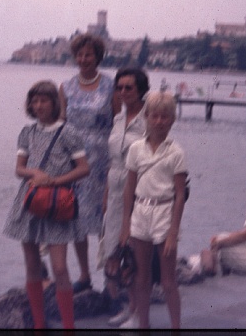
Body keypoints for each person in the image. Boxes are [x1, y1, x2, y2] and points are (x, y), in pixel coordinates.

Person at [3, 80, 90, 329]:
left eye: (44, 100)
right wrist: (35, 174)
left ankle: (68, 327)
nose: (39, 105)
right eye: (35, 101)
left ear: (55, 103)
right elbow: (19, 169)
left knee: (60, 268)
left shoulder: (69, 133)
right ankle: (39, 325)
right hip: (29, 202)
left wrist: (54, 180)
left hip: (57, 204)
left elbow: (84, 169)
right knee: (32, 265)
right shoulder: (27, 133)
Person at [118, 90, 188, 329]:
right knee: (141, 276)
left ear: (172, 120)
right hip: (140, 212)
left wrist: (173, 232)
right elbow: (129, 187)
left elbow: (180, 195)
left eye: (165, 117)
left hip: (164, 213)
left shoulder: (176, 153)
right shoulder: (136, 149)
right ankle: (143, 325)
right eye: (154, 116)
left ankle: (175, 327)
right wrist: (125, 225)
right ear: (146, 117)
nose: (159, 122)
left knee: (168, 280)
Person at [58, 33, 117, 293]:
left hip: (103, 160)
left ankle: (110, 276)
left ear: (98, 57)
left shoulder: (111, 86)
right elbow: (61, 124)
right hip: (74, 162)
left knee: (107, 219)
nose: (84, 59)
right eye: (80, 54)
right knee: (76, 219)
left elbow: (118, 124)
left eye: (89, 54)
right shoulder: (66, 87)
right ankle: (84, 275)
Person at [98, 67, 150, 325]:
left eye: (129, 87)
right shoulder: (118, 118)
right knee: (115, 252)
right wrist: (106, 194)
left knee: (133, 253)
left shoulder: (148, 120)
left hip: (138, 190)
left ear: (140, 89)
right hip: (115, 188)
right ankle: (127, 307)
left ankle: (139, 314)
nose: (123, 92)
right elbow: (112, 160)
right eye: (119, 87)